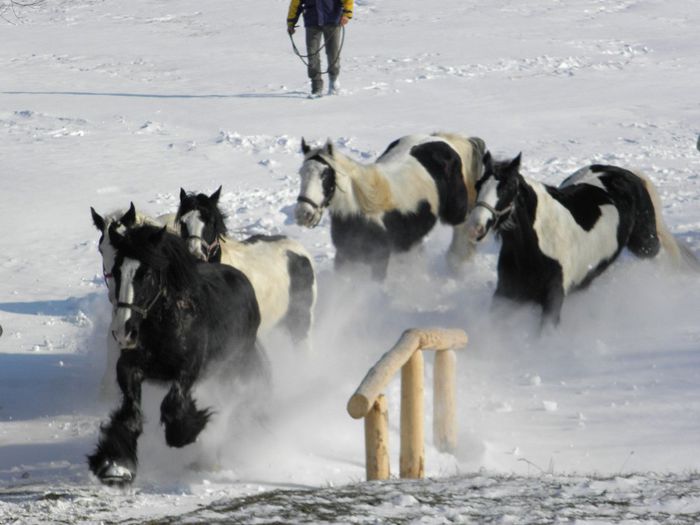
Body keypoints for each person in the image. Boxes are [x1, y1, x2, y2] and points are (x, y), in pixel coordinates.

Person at [287, 0, 353, 97]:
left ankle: (333, 81)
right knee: (312, 55)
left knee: (332, 53)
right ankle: (316, 87)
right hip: (312, 21)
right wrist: (291, 22)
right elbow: (295, 4)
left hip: (332, 20)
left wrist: (347, 14)